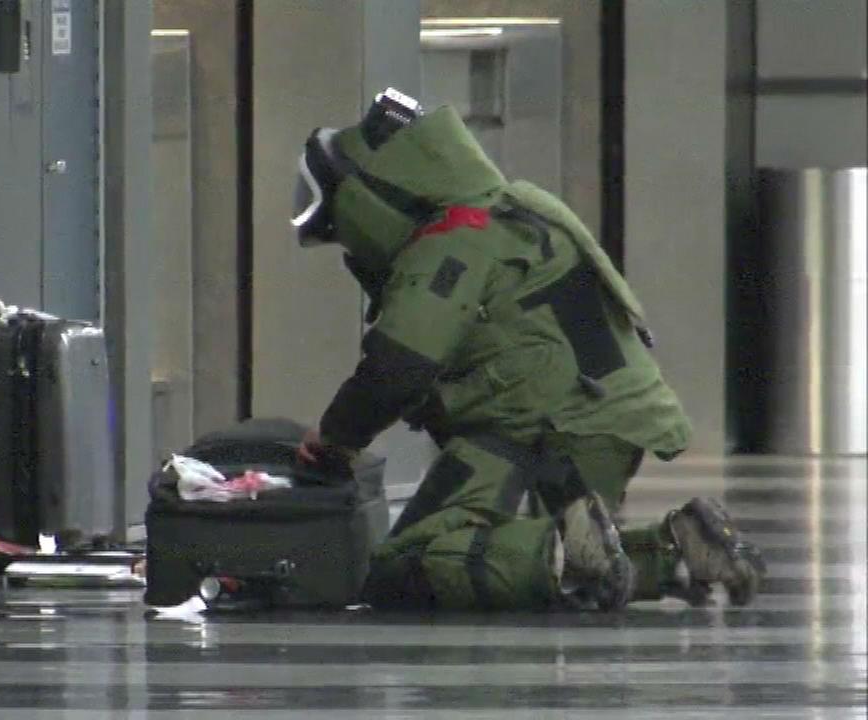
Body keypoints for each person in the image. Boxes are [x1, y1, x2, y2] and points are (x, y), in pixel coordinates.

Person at [292, 88, 765, 612]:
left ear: (367, 200)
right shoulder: (516, 207)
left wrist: (335, 440)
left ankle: (567, 551)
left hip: (538, 430)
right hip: (606, 425)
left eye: (342, 229)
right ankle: (683, 547)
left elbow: (397, 368)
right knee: (558, 559)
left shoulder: (453, 240)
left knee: (407, 563)